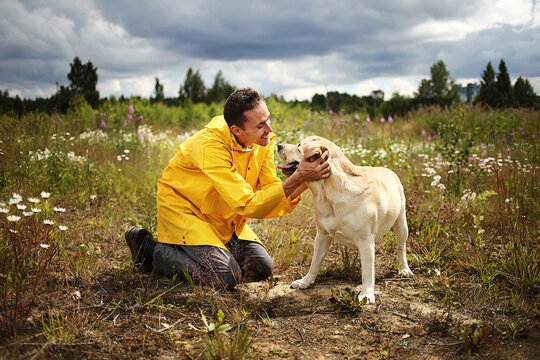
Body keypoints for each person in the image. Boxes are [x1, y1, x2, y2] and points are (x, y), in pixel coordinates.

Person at [125, 88, 330, 290]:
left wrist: (308, 177)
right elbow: (248, 204)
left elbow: (271, 189)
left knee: (260, 268)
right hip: (186, 213)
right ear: (236, 130)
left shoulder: (261, 140)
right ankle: (151, 250)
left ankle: (210, 251)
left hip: (222, 216)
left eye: (268, 119)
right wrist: (301, 177)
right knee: (225, 276)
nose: (269, 129)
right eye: (260, 125)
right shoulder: (210, 146)